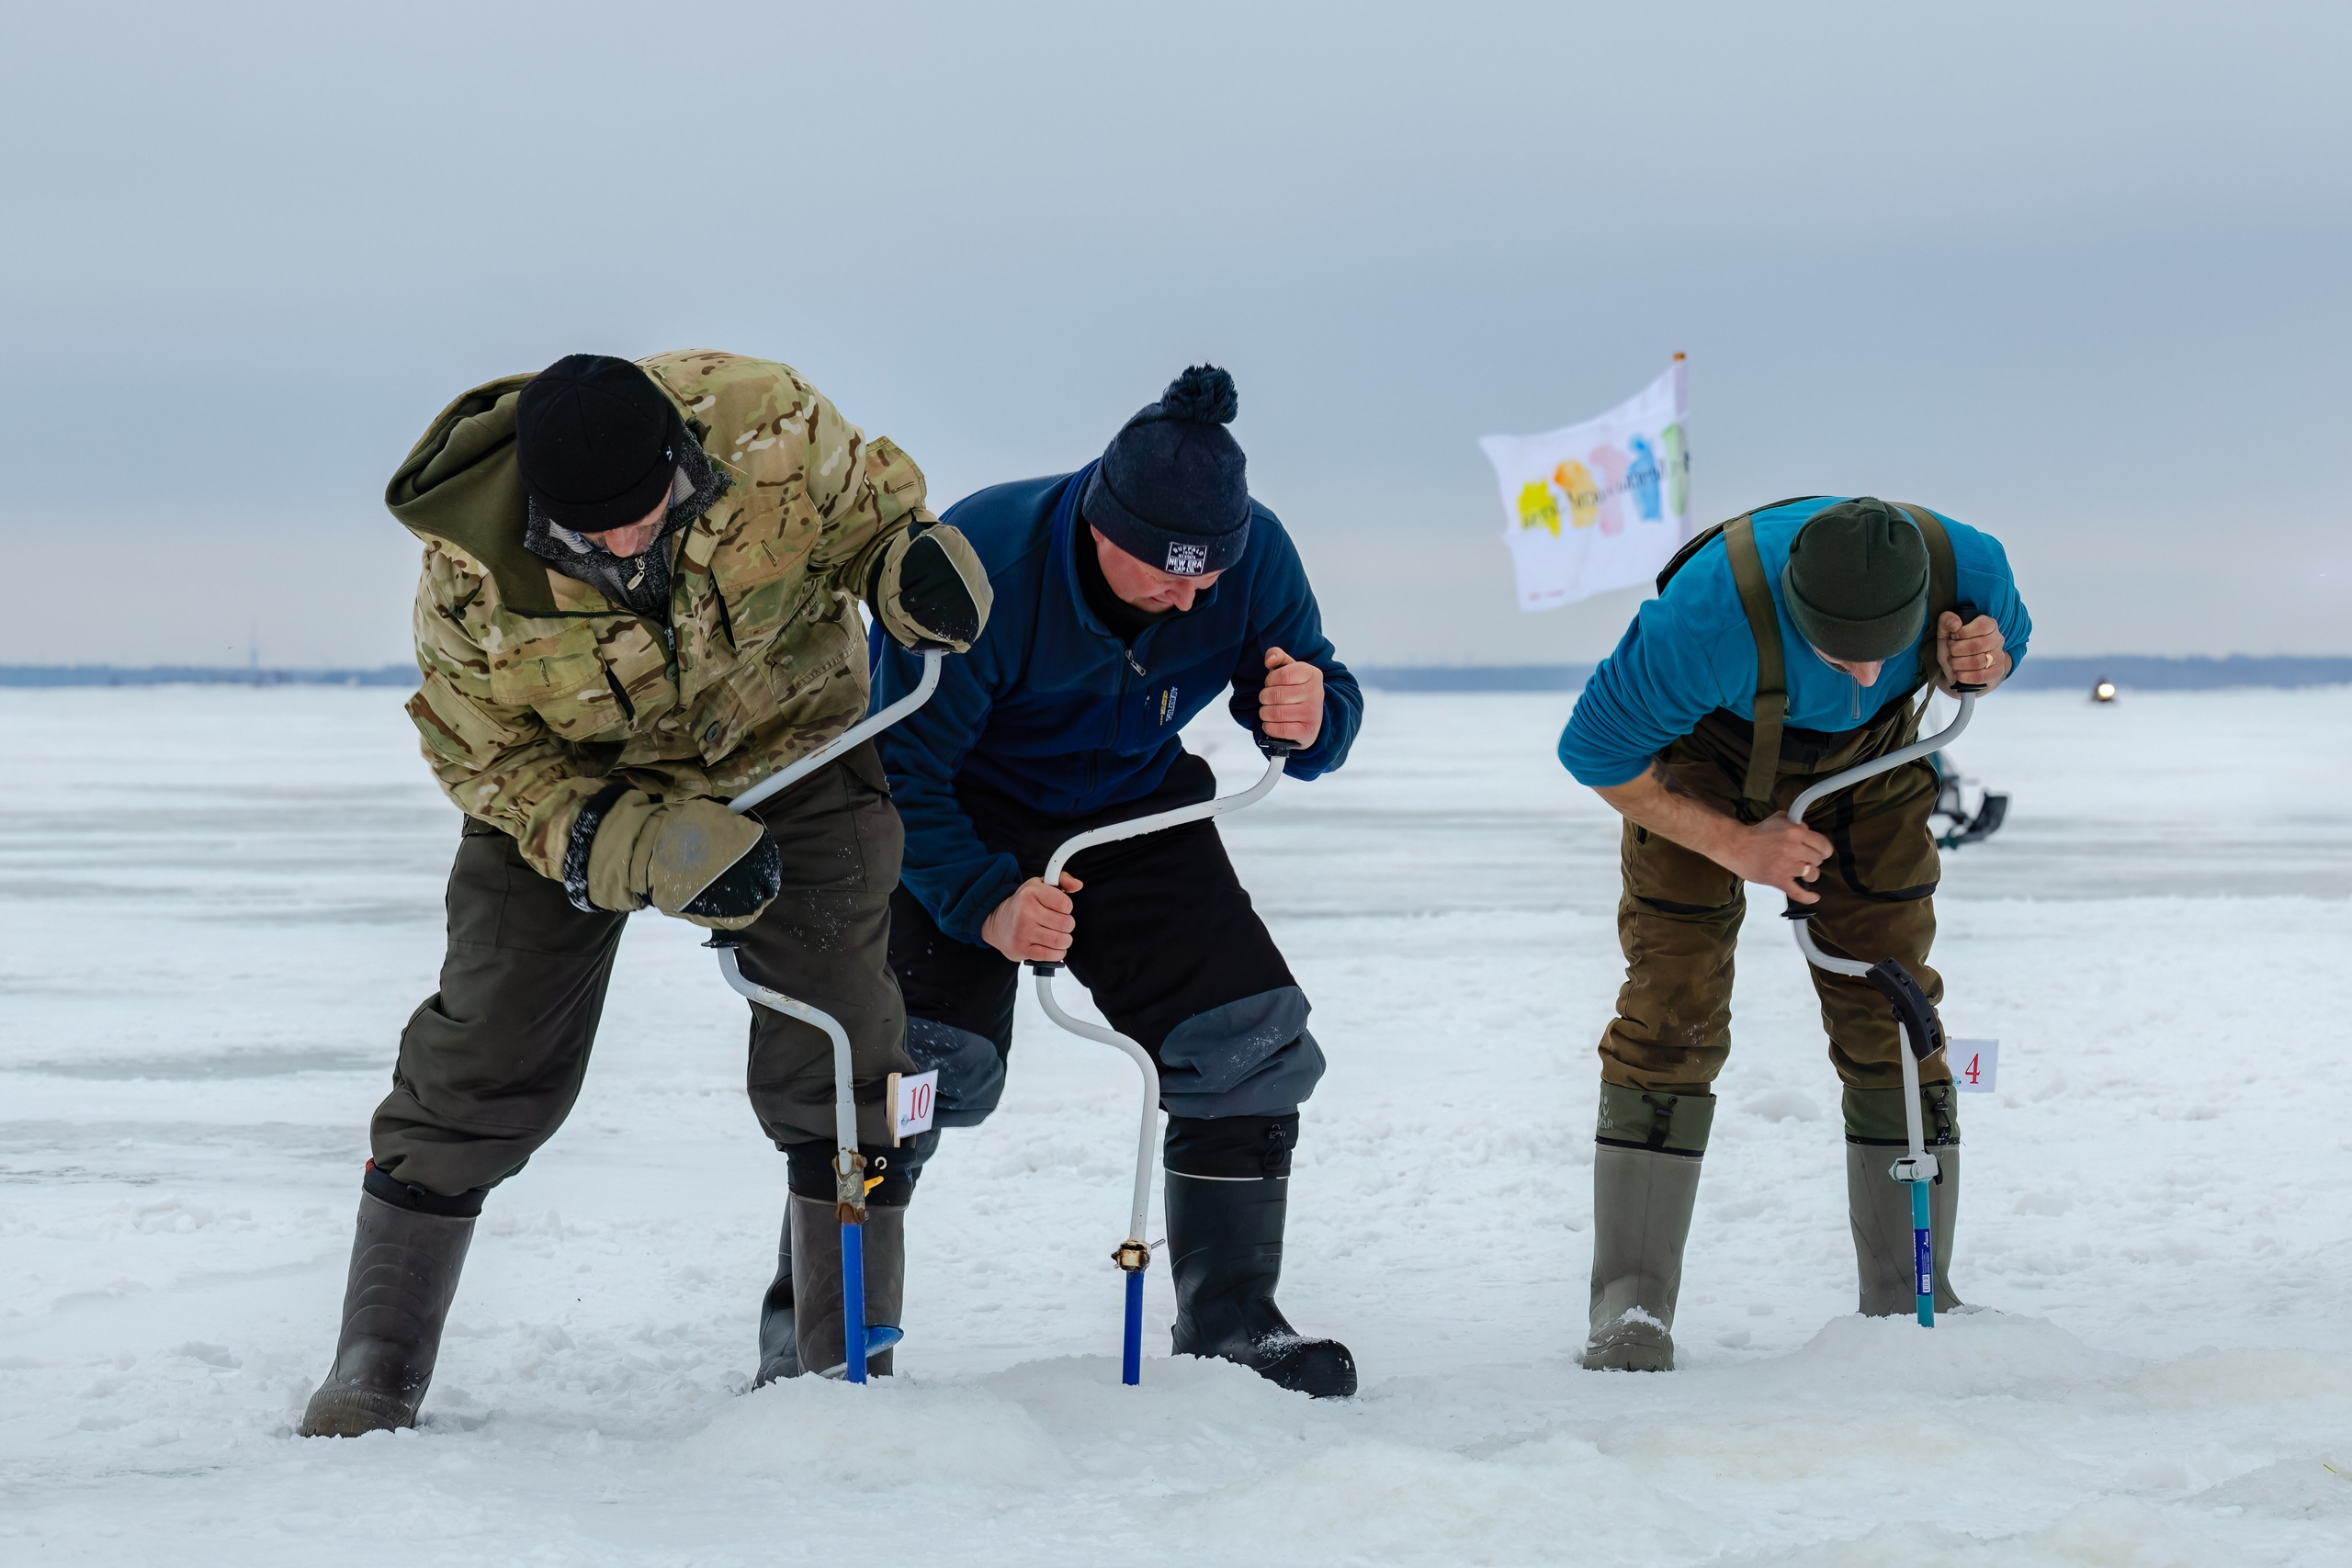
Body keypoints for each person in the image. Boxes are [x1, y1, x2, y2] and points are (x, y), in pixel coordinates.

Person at [298, 351, 990, 1436]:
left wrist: (911, 567)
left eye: (643, 515)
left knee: (845, 1044)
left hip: (793, 749)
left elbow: (873, 521)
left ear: (679, 459)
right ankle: (374, 1369)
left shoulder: (769, 423)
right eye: (592, 534)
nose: (624, 545)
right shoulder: (468, 574)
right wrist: (636, 843)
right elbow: (488, 761)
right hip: (578, 792)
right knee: (483, 1055)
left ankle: (834, 1367)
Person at [840, 365, 1364, 1396]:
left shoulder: (1254, 554)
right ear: (1099, 524)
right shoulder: (980, 559)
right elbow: (893, 766)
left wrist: (1314, 717)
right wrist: (987, 902)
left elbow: (1316, 686)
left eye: (1208, 579)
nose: (1190, 598)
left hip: (1133, 805)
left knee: (1249, 1041)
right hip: (955, 809)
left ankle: (1232, 1324)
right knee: (905, 1069)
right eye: (1165, 576)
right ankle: (830, 1341)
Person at [1558, 495, 2030, 1371]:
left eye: (1883, 652)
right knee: (1671, 1010)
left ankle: (1911, 1293)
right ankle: (1631, 1306)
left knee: (1896, 1012)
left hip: (1874, 768)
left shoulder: (1970, 571)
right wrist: (1737, 845)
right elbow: (1596, 755)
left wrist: (1984, 664)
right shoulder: (1704, 621)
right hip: (1700, 764)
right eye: (1839, 654)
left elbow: (2006, 648)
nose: (1864, 672)